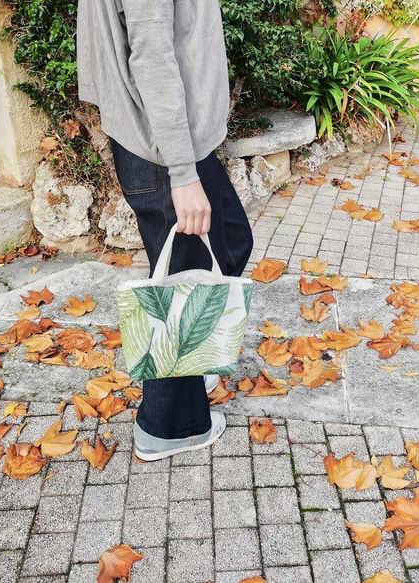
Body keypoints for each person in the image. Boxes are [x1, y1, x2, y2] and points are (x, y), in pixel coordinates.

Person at [76, 0, 253, 461]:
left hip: (159, 137)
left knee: (227, 241)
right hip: (161, 145)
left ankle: (193, 363)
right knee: (182, 281)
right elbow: (151, 55)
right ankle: (169, 425)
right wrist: (183, 174)